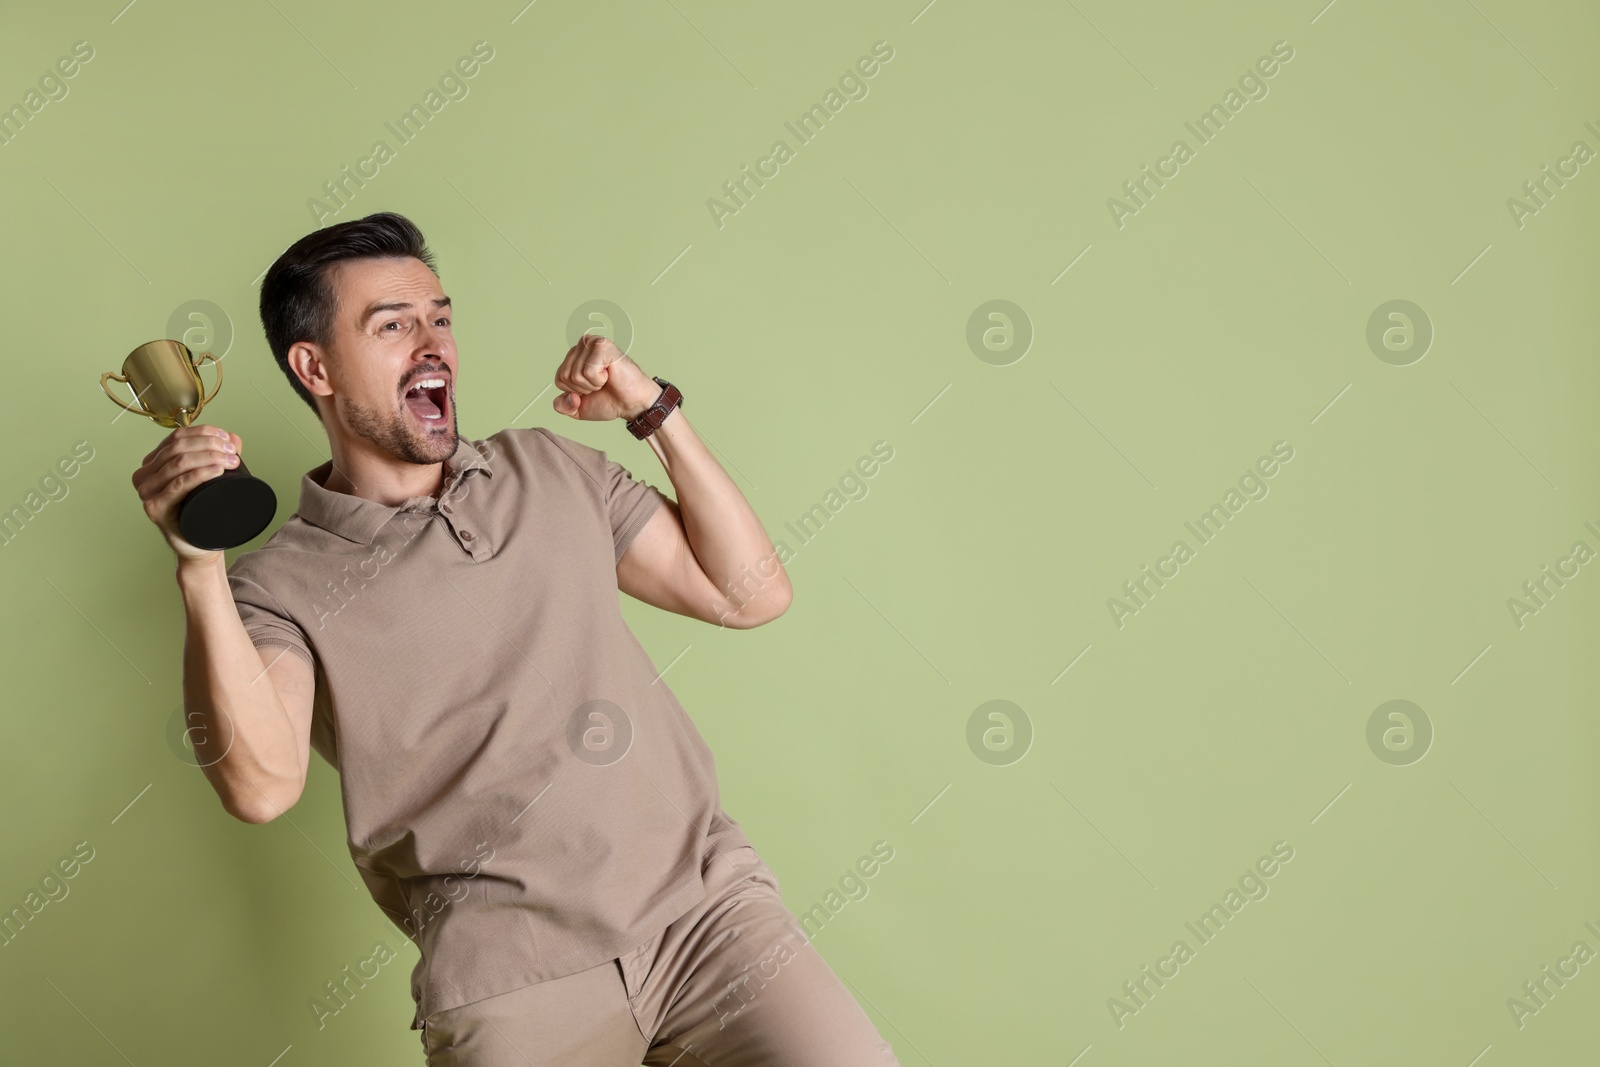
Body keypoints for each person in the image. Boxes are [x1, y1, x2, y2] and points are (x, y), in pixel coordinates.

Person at [130, 212, 900, 1066]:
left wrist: (651, 410)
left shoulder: (551, 467)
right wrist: (200, 569)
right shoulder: (281, 585)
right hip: (511, 982)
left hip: (705, 915)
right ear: (314, 367)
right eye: (392, 325)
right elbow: (263, 786)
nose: (433, 344)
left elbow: (750, 593)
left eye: (441, 318)